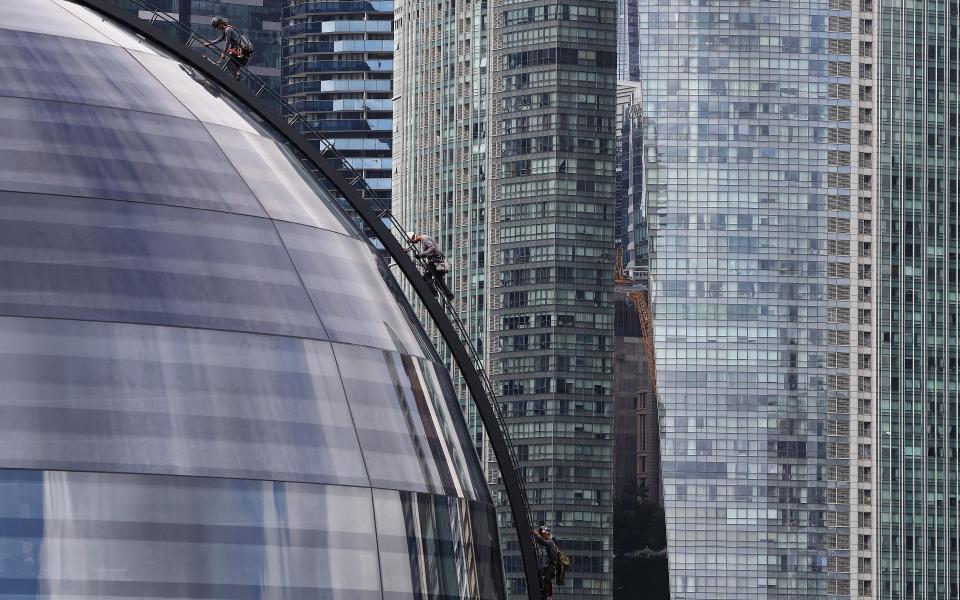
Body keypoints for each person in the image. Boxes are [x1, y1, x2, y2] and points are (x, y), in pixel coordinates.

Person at [407, 232, 454, 300]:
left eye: (412, 241)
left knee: (426, 277)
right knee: (439, 280)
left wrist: (422, 254)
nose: (414, 243)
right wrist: (421, 255)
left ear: (413, 238)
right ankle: (450, 295)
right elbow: (432, 250)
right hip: (439, 261)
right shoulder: (425, 239)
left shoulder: (425, 238)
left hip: (435, 261)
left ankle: (435, 294)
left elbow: (432, 248)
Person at [531, 526, 562, 599]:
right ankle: (542, 590)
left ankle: (545, 595)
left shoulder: (551, 542)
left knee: (546, 580)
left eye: (542, 534)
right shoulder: (551, 543)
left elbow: (542, 541)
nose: (542, 536)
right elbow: (541, 542)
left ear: (546, 534)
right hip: (551, 565)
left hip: (553, 566)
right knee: (540, 572)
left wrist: (536, 534)